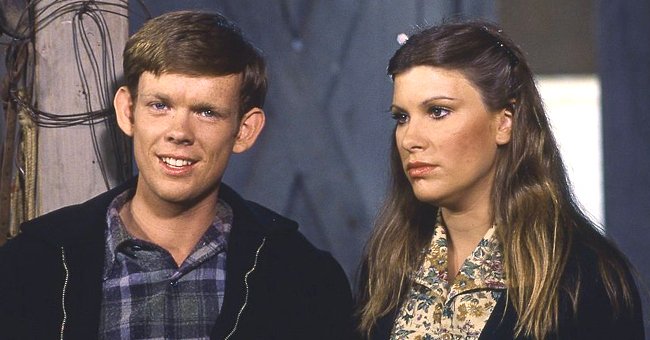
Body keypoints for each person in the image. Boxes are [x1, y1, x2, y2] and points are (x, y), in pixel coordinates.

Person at [0, 10, 354, 339]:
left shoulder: (303, 277)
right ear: (127, 112)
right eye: (160, 105)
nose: (179, 132)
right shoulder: (33, 265)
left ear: (245, 130)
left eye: (206, 112)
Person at [357, 21, 644, 339]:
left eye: (438, 111)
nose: (410, 138)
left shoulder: (583, 276)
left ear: (504, 123)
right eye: (402, 117)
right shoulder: (388, 265)